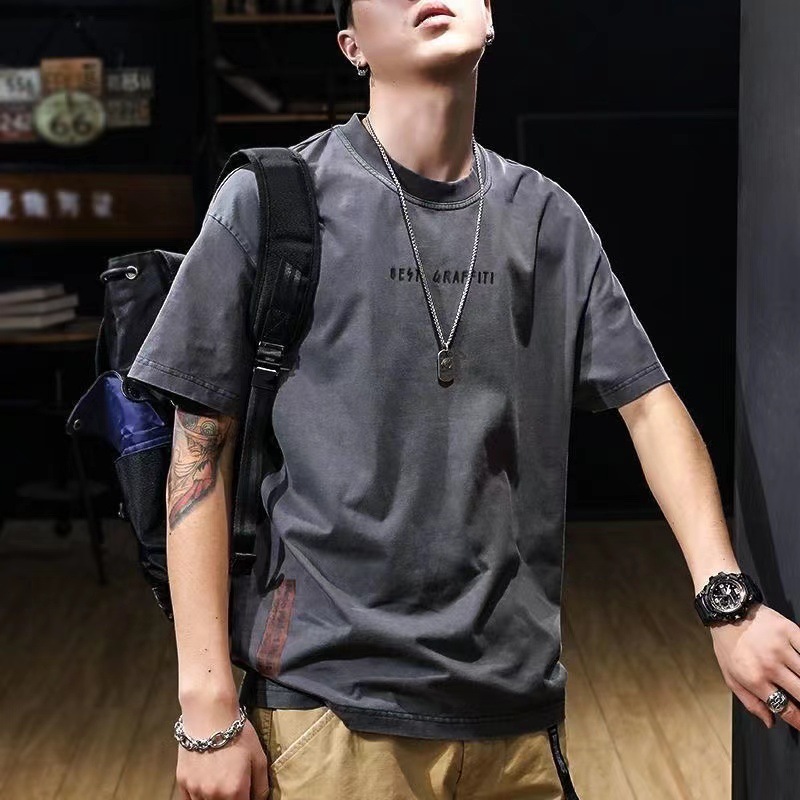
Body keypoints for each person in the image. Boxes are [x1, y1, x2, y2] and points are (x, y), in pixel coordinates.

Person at [127, 1, 800, 798]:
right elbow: (199, 449)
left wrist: (728, 605)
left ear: (491, 19)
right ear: (351, 45)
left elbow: (650, 408)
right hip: (331, 713)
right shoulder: (272, 202)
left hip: (514, 714)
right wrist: (205, 706)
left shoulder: (545, 217)